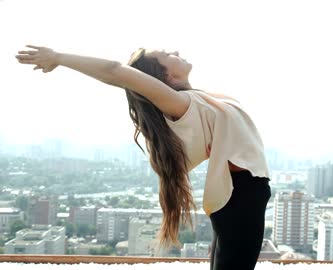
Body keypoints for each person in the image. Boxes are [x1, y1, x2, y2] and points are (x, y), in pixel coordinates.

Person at [16, 45, 271, 270]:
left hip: (239, 200)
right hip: (241, 199)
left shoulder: (197, 101)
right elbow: (116, 71)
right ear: (165, 76)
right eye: (168, 55)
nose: (177, 51)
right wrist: (58, 57)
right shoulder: (181, 105)